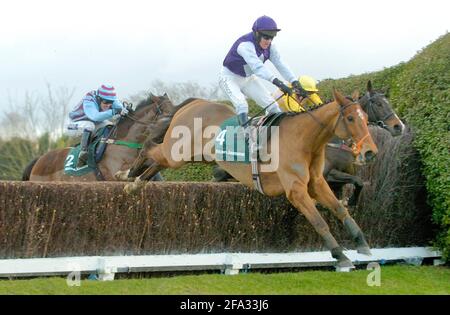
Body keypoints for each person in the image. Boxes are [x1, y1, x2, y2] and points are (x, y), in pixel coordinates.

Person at [219, 15, 308, 127]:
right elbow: (258, 67)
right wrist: (278, 83)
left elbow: (281, 64)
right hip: (229, 78)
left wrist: (295, 82)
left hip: (248, 79)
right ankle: (245, 136)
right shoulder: (245, 45)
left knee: (273, 107)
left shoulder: (270, 47)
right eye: (266, 37)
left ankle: (271, 137)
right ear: (257, 34)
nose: (269, 41)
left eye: (272, 37)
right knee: (242, 105)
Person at [67, 84, 128, 167]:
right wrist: (114, 112)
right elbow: (95, 116)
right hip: (72, 126)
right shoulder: (89, 100)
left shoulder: (110, 99)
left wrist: (126, 111)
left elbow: (120, 108)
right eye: (105, 102)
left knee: (110, 125)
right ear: (98, 99)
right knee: (89, 125)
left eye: (111, 102)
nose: (108, 105)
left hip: (92, 123)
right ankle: (83, 153)